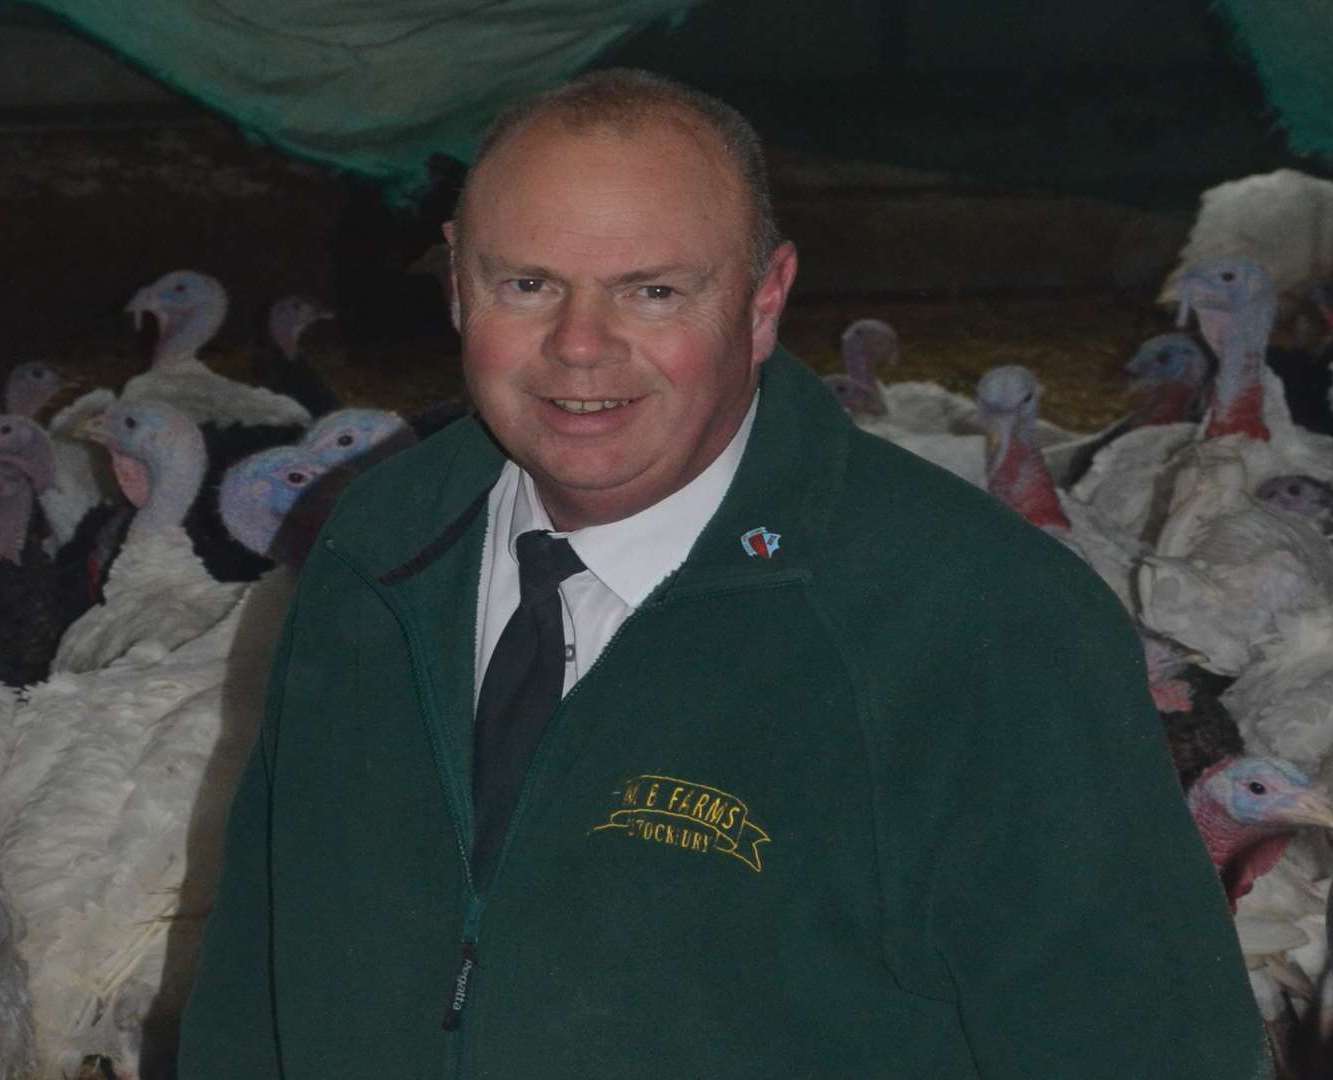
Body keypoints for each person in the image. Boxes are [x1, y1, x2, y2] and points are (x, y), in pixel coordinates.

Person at [180, 68, 1268, 1077]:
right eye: (526, 284)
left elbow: (1150, 1047)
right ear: (460, 283)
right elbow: (259, 969)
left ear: (761, 299)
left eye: (653, 292)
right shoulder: (382, 549)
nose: (579, 346)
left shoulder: (978, 623)